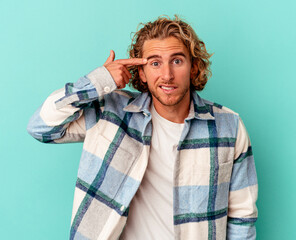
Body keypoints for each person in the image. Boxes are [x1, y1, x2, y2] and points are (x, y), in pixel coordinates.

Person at [27, 15, 258, 240]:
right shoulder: (110, 111)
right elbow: (41, 126)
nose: (166, 75)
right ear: (141, 73)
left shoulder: (228, 127)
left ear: (194, 68)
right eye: (155, 63)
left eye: (177, 61)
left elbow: (242, 217)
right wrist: (99, 81)